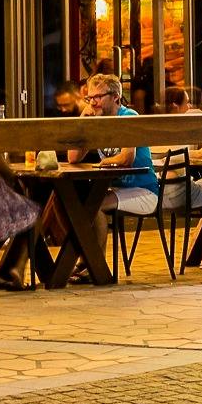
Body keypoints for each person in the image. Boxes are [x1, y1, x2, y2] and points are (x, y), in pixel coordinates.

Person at [76, 72, 162, 280]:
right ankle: (87, 262)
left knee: (92, 206)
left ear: (115, 97)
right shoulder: (97, 120)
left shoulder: (128, 116)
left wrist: (100, 164)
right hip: (117, 190)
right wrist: (83, 123)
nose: (93, 102)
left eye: (98, 97)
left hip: (144, 192)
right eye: (90, 98)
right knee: (77, 205)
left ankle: (94, 266)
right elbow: (73, 158)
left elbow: (126, 158)